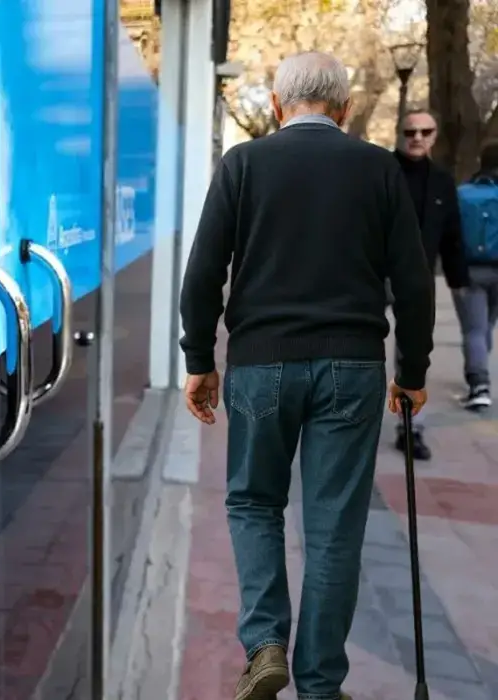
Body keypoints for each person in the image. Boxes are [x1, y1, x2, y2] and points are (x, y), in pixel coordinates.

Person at [178, 52, 433, 700]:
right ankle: (320, 684)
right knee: (334, 528)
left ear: (275, 106)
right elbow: (412, 280)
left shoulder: (243, 165)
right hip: (353, 364)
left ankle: (265, 644)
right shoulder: (378, 169)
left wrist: (199, 359)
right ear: (345, 110)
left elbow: (203, 273)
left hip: (261, 362)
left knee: (254, 502)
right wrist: (413, 371)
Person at [391, 109, 471, 456]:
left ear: (435, 135)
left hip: (419, 279)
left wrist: (457, 278)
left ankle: (410, 428)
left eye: (425, 131)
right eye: (411, 132)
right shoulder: (382, 170)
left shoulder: (441, 181)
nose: (417, 138)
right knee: (358, 346)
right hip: (374, 274)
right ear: (400, 133)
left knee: (414, 355)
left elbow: (452, 234)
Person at [453, 140, 498, 410]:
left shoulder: (462, 193)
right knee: (486, 325)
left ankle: (479, 384)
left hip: (470, 270)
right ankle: (479, 374)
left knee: (474, 329)